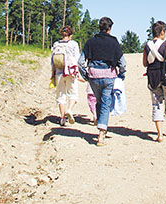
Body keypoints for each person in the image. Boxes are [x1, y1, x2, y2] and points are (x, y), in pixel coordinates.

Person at [78, 16, 126, 146]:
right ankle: (101, 134)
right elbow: (122, 62)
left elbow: (80, 62)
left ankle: (100, 124)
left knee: (99, 102)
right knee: (105, 103)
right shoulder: (114, 42)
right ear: (109, 28)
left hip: (93, 75)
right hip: (108, 75)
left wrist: (86, 76)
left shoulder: (90, 42)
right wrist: (121, 74)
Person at [142, 20, 166, 142]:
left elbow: (144, 63)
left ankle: (159, 134)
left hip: (152, 77)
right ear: (162, 32)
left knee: (156, 104)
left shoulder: (147, 46)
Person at [50, 26, 80, 126]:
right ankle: (70, 110)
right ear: (70, 35)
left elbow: (52, 62)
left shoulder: (56, 44)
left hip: (59, 72)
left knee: (61, 95)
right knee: (73, 93)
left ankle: (62, 118)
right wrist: (78, 73)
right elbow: (77, 59)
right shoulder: (74, 44)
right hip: (70, 72)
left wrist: (52, 74)